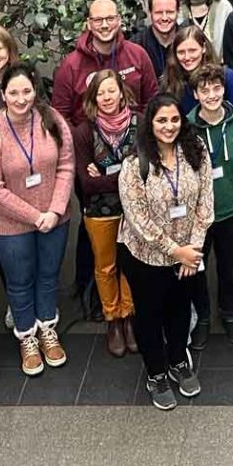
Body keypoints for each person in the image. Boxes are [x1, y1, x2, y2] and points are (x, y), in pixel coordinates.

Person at [0, 64, 76, 377]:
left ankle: (47, 328)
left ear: (35, 90)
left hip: (54, 220)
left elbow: (66, 165)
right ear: (3, 94)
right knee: (20, 283)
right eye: (14, 93)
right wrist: (35, 216)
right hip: (10, 227)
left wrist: (55, 211)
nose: (21, 99)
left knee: (48, 277)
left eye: (27, 91)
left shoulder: (52, 119)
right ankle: (27, 336)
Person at [118, 94, 215, 410]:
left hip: (189, 253)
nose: (169, 126)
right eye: (161, 120)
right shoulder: (136, 163)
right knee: (149, 315)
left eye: (174, 119)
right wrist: (176, 252)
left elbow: (206, 202)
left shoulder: (196, 150)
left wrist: (194, 251)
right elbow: (138, 219)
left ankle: (177, 361)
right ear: (150, 123)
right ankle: (156, 373)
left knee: (180, 310)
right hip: (147, 257)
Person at [189, 63, 233, 347]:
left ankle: (229, 313)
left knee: (230, 268)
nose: (211, 95)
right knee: (198, 268)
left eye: (216, 88)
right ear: (195, 94)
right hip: (199, 216)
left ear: (224, 89)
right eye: (204, 90)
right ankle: (203, 316)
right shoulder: (187, 125)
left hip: (232, 209)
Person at [70, 69, 138, 354]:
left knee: (131, 266)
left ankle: (130, 316)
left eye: (112, 90)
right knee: (106, 266)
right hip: (100, 212)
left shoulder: (140, 124)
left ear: (122, 91)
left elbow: (144, 170)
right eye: (101, 93)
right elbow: (86, 184)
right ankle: (113, 319)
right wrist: (126, 172)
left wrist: (105, 176)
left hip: (135, 210)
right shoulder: (84, 131)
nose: (107, 97)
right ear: (93, 98)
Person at [53, 0, 159, 125]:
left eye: (110, 19)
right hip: (88, 142)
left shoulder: (137, 55)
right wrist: (79, 139)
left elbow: (152, 101)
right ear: (89, 24)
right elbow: (60, 116)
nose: (104, 25)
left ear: (119, 20)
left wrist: (141, 133)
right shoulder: (70, 65)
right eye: (98, 20)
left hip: (134, 139)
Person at [161, 26, 233, 111]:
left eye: (192, 51)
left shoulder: (227, 77)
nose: (187, 57)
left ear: (203, 48)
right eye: (181, 52)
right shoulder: (170, 82)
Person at [133, 0, 183, 79]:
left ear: (178, 12)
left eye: (170, 12)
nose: (164, 18)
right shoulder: (136, 46)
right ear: (149, 13)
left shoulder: (189, 40)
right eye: (159, 12)